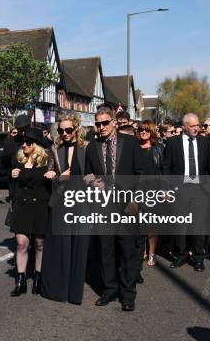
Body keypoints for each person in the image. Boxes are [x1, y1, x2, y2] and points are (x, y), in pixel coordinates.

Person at [85, 106, 145, 312]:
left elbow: (140, 174)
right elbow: (86, 174)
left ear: (113, 122)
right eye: (97, 123)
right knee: (106, 251)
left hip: (126, 205)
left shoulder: (130, 143)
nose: (100, 127)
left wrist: (136, 200)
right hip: (103, 207)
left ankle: (128, 294)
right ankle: (109, 290)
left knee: (127, 251)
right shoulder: (92, 147)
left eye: (104, 123)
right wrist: (92, 183)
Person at [41, 113, 89, 304]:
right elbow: (50, 175)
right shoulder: (55, 148)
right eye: (61, 130)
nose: (65, 133)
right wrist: (56, 176)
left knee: (78, 247)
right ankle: (58, 290)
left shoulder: (86, 148)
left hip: (82, 202)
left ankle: (74, 292)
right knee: (60, 246)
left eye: (68, 130)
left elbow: (93, 174)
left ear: (76, 128)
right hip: (61, 202)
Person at [10, 128, 55, 297]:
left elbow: (44, 180)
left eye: (28, 142)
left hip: (40, 206)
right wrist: (11, 174)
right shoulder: (18, 159)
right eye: (23, 142)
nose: (24, 145)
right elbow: (6, 178)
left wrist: (54, 174)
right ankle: (20, 281)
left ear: (36, 145)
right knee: (21, 243)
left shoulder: (47, 160)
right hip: (22, 205)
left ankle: (38, 278)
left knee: (39, 244)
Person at [162, 113, 210, 271]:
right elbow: (166, 168)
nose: (196, 128)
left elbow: (209, 168)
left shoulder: (204, 142)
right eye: (192, 126)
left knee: (198, 225)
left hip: (199, 190)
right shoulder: (172, 143)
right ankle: (181, 255)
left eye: (198, 125)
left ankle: (198, 257)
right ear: (184, 127)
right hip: (179, 190)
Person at [137, 120, 163, 268]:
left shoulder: (159, 149)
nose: (143, 132)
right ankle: (142, 251)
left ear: (151, 131)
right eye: (141, 129)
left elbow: (163, 171)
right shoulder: (134, 147)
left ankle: (152, 252)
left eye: (146, 130)